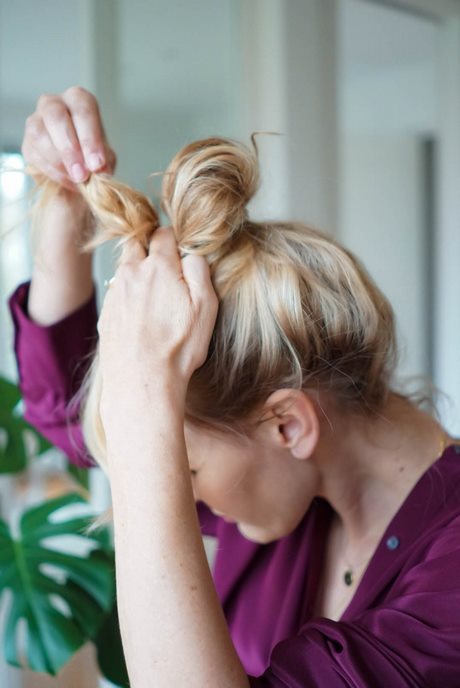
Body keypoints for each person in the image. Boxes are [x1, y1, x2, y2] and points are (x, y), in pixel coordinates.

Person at [8, 87, 460, 687]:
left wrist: (152, 404)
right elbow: (67, 414)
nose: (180, 488)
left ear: (287, 424)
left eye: (185, 468)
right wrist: (66, 202)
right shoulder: (288, 485)